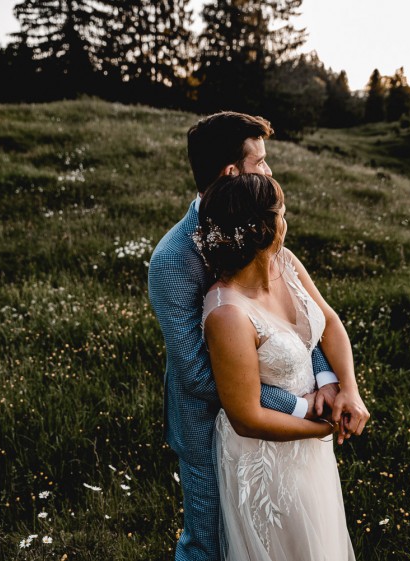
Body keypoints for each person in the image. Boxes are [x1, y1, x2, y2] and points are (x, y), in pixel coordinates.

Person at [147, 112, 369, 560]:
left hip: (293, 417)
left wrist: (328, 381)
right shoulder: (173, 260)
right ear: (232, 172)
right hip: (212, 425)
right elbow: (197, 374)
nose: (268, 172)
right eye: (261, 162)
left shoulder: (262, 226)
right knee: (211, 543)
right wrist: (302, 406)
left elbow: (300, 320)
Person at [196, 173, 362, 560]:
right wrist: (324, 424)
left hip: (309, 447)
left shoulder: (285, 262)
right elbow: (247, 416)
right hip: (265, 459)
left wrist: (345, 388)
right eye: (282, 213)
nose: (287, 222)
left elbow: (328, 323)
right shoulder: (227, 314)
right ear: (264, 228)